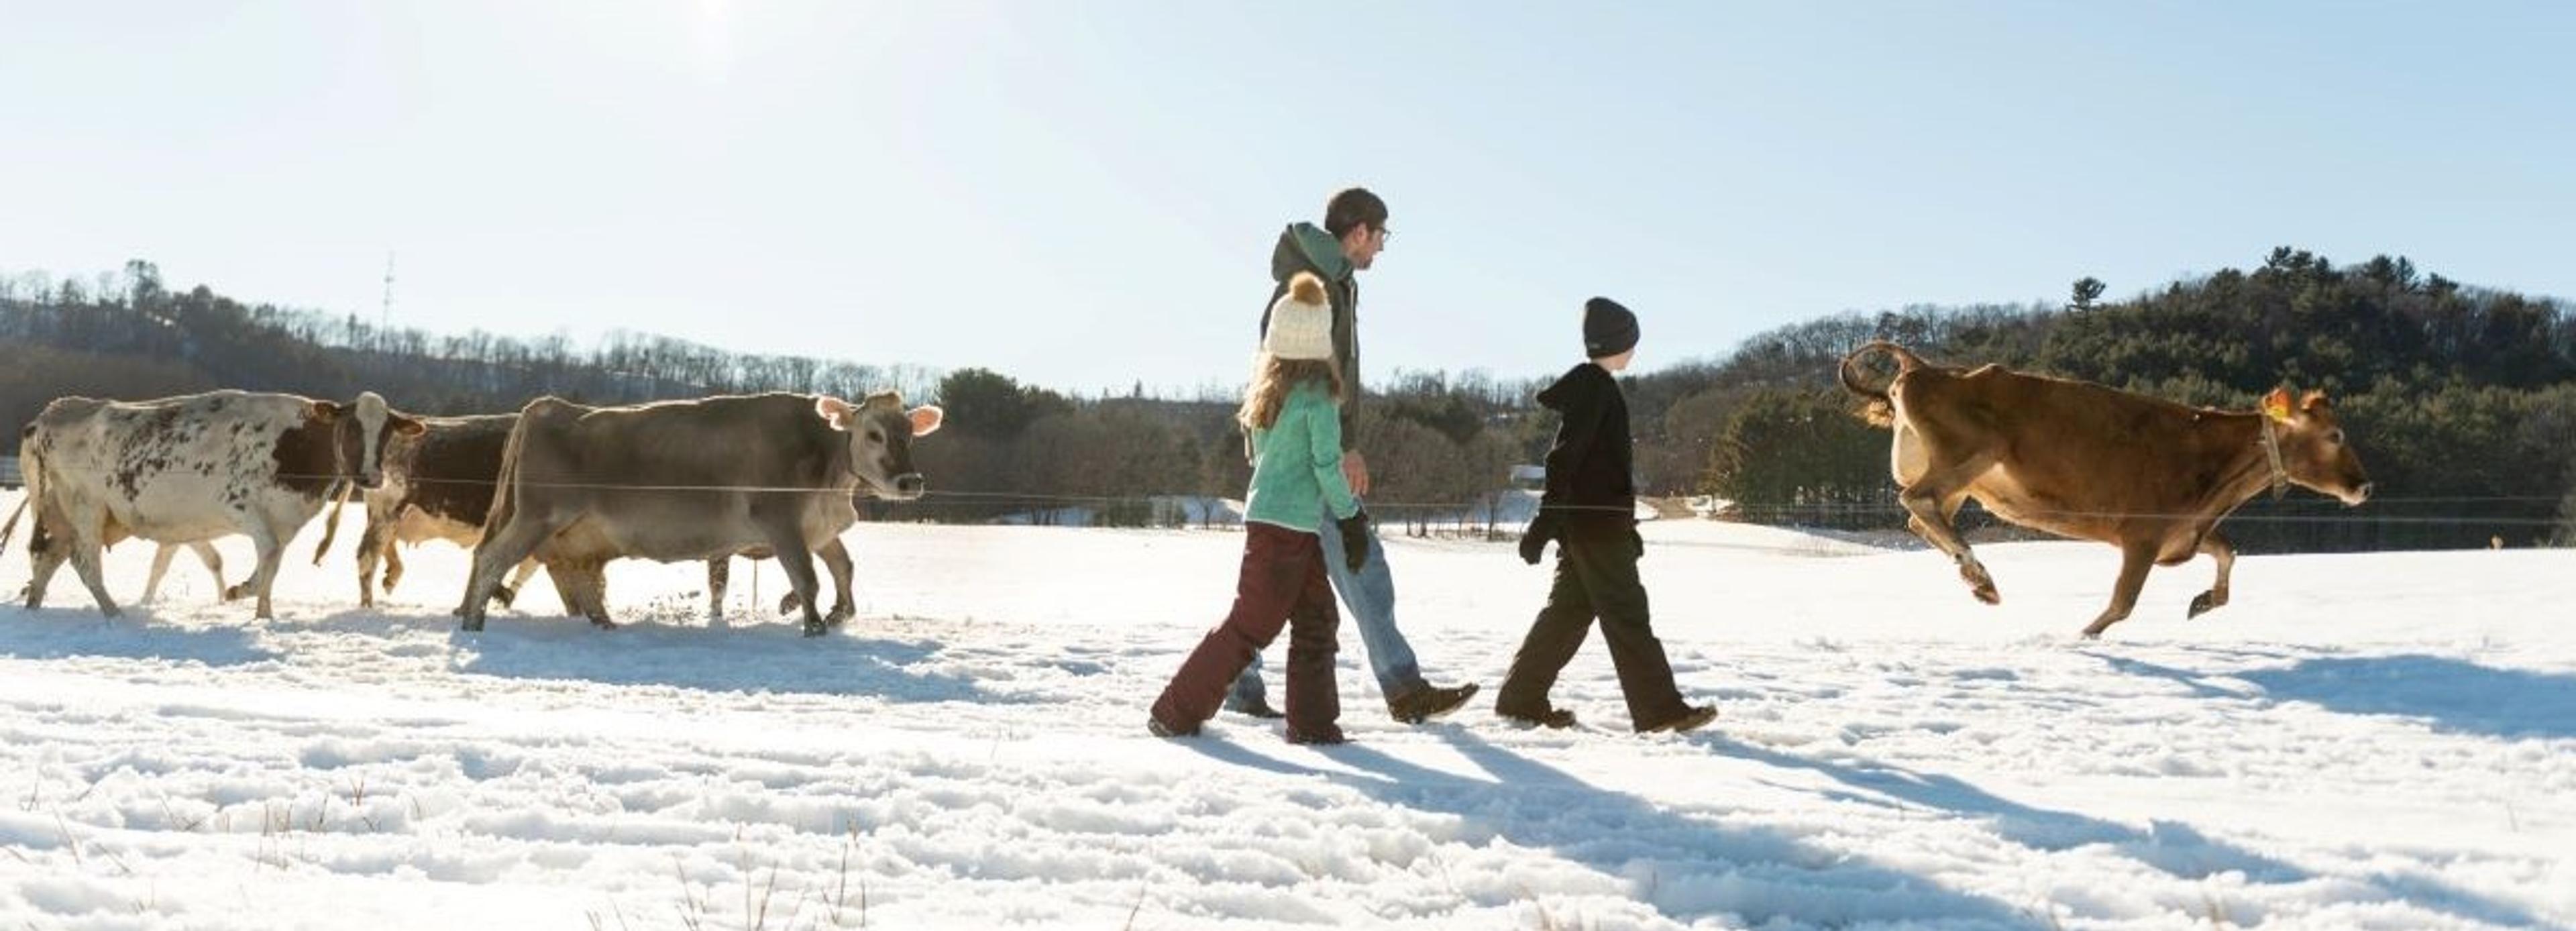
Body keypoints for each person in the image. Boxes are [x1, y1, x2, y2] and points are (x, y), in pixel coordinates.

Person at [1228, 187, 1479, 725]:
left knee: (1288, 576)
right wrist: (1340, 449)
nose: (1383, 248)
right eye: (1382, 235)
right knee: (1361, 558)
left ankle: (1238, 678)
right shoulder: (1313, 289)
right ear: (1359, 231)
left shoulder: (1333, 284)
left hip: (1302, 451)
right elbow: (1298, 381)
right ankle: (1405, 689)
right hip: (1310, 455)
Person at [1150, 272, 1369, 744]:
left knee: (1316, 619)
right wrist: (1351, 517)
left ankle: (1312, 726)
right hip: (1287, 529)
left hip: (1283, 524)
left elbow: (1270, 459)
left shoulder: (1271, 392)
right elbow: (1327, 466)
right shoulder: (1318, 398)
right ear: (1321, 340)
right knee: (1251, 624)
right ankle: (1175, 711)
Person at [1494, 297, 1717, 734]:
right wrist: (1545, 521)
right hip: (1596, 529)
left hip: (1594, 526)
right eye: (1632, 340)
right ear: (1618, 342)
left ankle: (1521, 698)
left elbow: (1589, 466)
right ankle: (1659, 711)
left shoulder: (1595, 387)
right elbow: (1564, 458)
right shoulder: (1596, 389)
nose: (1635, 349)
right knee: (1628, 614)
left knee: (1568, 611)